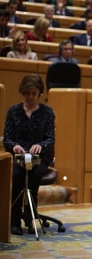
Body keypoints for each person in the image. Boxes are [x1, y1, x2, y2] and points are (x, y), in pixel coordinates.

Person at [3, 74, 55, 235]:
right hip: (18, 158)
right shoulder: (13, 111)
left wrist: (40, 145)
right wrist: (15, 146)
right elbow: (7, 138)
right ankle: (14, 220)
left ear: (39, 93)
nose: (30, 97)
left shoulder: (47, 112)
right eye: (27, 93)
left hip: (39, 158)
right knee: (17, 177)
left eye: (33, 93)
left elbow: (50, 139)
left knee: (34, 176)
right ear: (22, 93)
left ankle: (30, 217)